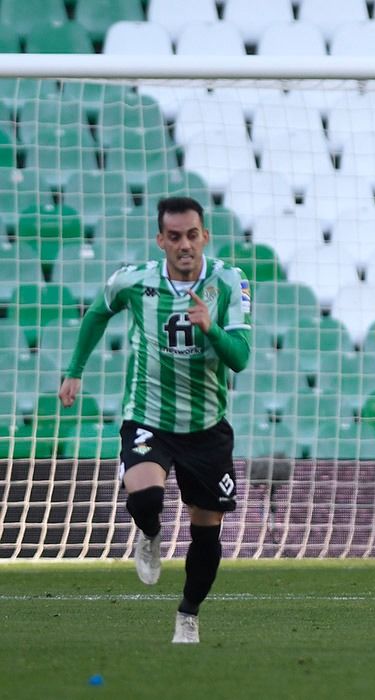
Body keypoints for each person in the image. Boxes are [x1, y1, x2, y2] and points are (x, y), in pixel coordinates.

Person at [58, 196, 252, 644]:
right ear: (160, 240)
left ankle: (188, 613)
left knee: (206, 534)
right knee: (145, 500)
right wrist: (74, 371)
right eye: (175, 237)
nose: (185, 245)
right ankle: (148, 533)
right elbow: (96, 313)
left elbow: (239, 357)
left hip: (206, 426)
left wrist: (210, 327)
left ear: (205, 236)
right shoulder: (134, 281)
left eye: (192, 235)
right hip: (148, 415)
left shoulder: (228, 281)